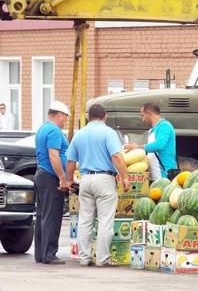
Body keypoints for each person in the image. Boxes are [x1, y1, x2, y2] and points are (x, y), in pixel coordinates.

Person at [66, 104, 129, 267]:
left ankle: (84, 257)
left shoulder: (80, 134)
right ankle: (102, 259)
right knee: (105, 220)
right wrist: (125, 177)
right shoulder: (108, 133)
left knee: (85, 220)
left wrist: (68, 180)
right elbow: (116, 156)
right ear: (104, 116)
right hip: (104, 179)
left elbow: (71, 161)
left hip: (85, 179)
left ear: (89, 117)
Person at [34, 100, 71, 265]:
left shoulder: (42, 128)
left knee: (42, 215)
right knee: (52, 216)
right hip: (50, 177)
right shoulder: (55, 131)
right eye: (65, 118)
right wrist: (63, 178)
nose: (65, 121)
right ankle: (49, 254)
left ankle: (40, 254)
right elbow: (53, 156)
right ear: (59, 115)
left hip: (41, 175)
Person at [124, 102, 177, 180]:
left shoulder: (164, 126)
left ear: (149, 114)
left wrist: (137, 147)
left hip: (165, 174)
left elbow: (159, 145)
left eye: (143, 115)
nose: (142, 119)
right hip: (156, 175)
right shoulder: (154, 129)